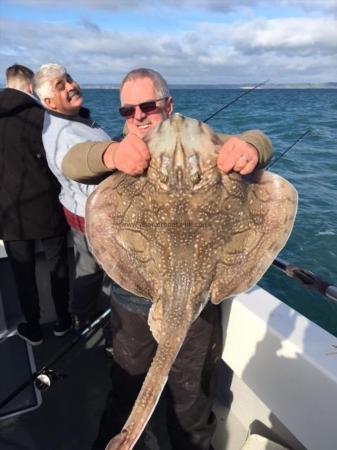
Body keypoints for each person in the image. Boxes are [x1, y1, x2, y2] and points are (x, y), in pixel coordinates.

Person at [62, 68, 273, 450]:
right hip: (132, 297)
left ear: (169, 105)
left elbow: (258, 143)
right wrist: (111, 153)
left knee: (191, 403)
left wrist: (252, 147)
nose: (138, 116)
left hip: (198, 303)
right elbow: (73, 162)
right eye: (128, 110)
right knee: (124, 387)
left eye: (148, 106)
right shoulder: (121, 152)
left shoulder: (209, 146)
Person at [33, 63, 112, 352]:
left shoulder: (74, 120)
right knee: (101, 274)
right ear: (49, 102)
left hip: (77, 212)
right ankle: (97, 327)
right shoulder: (66, 134)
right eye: (60, 85)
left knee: (86, 269)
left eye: (69, 79)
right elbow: (90, 178)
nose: (71, 85)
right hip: (91, 216)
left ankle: (83, 319)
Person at [0, 64, 71, 345]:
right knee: (59, 268)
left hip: (10, 214)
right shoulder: (44, 117)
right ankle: (63, 320)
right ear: (31, 87)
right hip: (48, 210)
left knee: (23, 275)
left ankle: (33, 326)